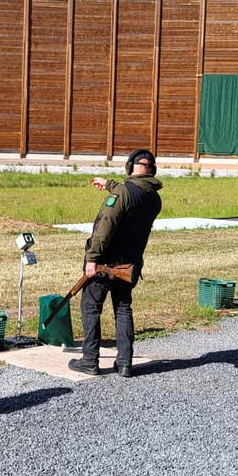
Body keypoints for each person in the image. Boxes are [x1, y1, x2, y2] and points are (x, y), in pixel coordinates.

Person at [67, 149, 163, 378]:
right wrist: (110, 185)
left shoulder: (123, 192)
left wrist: (92, 259)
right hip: (129, 265)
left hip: (105, 264)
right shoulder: (153, 197)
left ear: (131, 166)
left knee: (90, 308)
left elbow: (106, 225)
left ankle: (89, 360)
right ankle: (124, 364)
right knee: (123, 308)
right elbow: (130, 194)